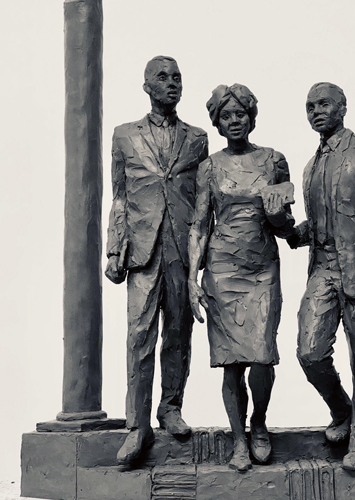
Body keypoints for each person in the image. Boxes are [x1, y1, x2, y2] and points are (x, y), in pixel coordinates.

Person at [105, 56, 208, 465]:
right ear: (146, 86)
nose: (172, 84)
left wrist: (205, 258)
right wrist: (115, 248)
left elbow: (204, 204)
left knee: (179, 333)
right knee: (139, 336)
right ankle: (137, 424)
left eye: (177, 77)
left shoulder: (198, 138)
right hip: (143, 253)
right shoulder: (124, 136)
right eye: (163, 78)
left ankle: (170, 407)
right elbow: (118, 196)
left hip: (183, 250)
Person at [288, 82, 355, 471]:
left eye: (323, 104)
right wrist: (283, 225)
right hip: (323, 270)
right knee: (309, 351)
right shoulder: (310, 166)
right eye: (309, 105)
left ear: (343, 108)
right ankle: (344, 410)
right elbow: (314, 226)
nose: (315, 111)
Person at [188, 84, 295, 472]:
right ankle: (237, 440)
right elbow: (199, 225)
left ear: (252, 116)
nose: (234, 121)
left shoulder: (273, 160)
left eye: (240, 114)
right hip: (221, 270)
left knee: (263, 356)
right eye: (226, 115)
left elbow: (285, 224)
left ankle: (260, 424)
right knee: (232, 362)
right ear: (217, 122)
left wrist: (280, 216)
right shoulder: (210, 167)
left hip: (262, 266)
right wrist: (191, 279)